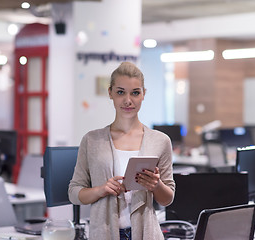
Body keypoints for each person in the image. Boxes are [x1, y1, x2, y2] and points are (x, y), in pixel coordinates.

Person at [68, 62, 175, 240]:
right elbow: (74, 193)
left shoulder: (161, 141)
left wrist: (156, 185)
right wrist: (101, 190)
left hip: (147, 234)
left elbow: (167, 199)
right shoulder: (92, 140)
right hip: (104, 233)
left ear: (143, 94)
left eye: (135, 93)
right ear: (110, 93)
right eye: (120, 92)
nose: (128, 100)